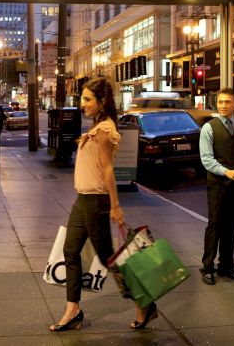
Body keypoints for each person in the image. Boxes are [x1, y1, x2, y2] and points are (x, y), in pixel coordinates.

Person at [49, 77, 157, 333]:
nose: (82, 104)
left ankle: (144, 303)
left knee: (110, 258)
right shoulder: (97, 127)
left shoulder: (105, 130)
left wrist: (115, 206)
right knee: (70, 250)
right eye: (82, 99)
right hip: (82, 200)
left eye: (88, 99)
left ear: (102, 101)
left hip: (96, 201)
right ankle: (73, 310)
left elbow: (109, 170)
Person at [199, 88, 234, 286]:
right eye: (220, 102)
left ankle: (226, 266)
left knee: (231, 226)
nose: (223, 105)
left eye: (227, 102)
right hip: (216, 185)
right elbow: (206, 159)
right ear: (216, 104)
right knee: (215, 225)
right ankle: (207, 267)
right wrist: (227, 172)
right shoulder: (209, 128)